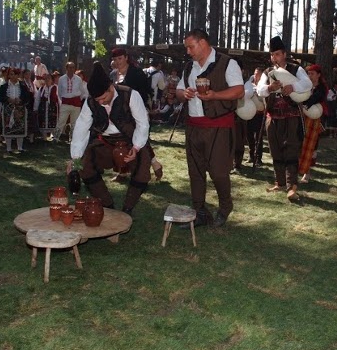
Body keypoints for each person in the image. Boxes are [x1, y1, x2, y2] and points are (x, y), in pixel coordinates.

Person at [176, 28, 244, 227]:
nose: (188, 51)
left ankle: (225, 207)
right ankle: (200, 212)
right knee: (195, 172)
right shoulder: (189, 67)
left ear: (203, 43)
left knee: (219, 172)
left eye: (191, 46)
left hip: (219, 126)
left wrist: (215, 95)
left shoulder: (227, 63)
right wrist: (184, 93)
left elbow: (239, 91)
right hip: (194, 126)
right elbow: (179, 90)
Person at [69, 61, 151, 215]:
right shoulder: (91, 102)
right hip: (104, 141)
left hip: (130, 141)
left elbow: (143, 123)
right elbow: (81, 129)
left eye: (103, 98)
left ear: (111, 87)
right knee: (85, 167)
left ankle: (127, 210)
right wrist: (75, 158)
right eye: (97, 99)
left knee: (142, 170)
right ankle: (108, 206)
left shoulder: (131, 95)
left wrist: (136, 147)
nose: (100, 102)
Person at [256, 36, 312, 201]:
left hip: (292, 117)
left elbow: (308, 84)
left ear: (284, 54)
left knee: (291, 151)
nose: (275, 58)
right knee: (275, 150)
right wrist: (269, 88)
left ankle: (291, 186)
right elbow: (259, 90)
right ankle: (279, 182)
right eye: (273, 55)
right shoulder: (267, 72)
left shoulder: (296, 69)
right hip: (272, 117)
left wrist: (292, 86)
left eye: (278, 54)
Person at [111, 48, 164, 180]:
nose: (117, 62)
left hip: (136, 111)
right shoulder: (112, 75)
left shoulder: (136, 73)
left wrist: (144, 110)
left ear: (126, 58)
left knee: (138, 139)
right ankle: (123, 170)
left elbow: (144, 92)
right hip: (120, 114)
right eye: (115, 59)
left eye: (120, 59)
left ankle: (151, 164)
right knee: (122, 141)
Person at [298, 64, 327, 183]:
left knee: (310, 145)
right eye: (308, 73)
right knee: (300, 143)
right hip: (302, 117)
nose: (309, 76)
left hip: (315, 120)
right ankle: (297, 169)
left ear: (318, 75)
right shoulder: (305, 86)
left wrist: (302, 101)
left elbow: (312, 100)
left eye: (312, 74)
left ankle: (306, 173)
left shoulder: (322, 88)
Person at [0, 67, 31, 153]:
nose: (12, 76)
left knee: (20, 127)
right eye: (11, 74)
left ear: (18, 75)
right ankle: (9, 148)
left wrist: (20, 100)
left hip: (20, 109)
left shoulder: (23, 86)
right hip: (8, 109)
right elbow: (0, 97)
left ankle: (20, 147)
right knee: (8, 128)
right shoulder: (4, 86)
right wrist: (8, 99)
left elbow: (27, 97)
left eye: (14, 74)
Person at [54, 62, 87, 141]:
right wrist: (65, 99)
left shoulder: (78, 79)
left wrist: (77, 99)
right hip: (65, 102)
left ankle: (72, 138)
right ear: (66, 68)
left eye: (73, 67)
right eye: (69, 67)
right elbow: (59, 92)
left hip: (76, 103)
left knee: (74, 122)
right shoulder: (61, 79)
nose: (71, 69)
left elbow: (82, 92)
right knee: (61, 120)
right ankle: (56, 137)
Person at [246, 67, 265, 165]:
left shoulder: (263, 86)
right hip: (249, 114)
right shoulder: (249, 84)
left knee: (258, 137)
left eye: (259, 74)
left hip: (259, 114)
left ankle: (258, 158)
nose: (256, 75)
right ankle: (251, 156)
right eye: (255, 73)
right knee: (249, 136)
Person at [34, 73, 60, 140]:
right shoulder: (42, 88)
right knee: (43, 122)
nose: (47, 80)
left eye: (49, 78)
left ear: (52, 80)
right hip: (43, 108)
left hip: (53, 107)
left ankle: (54, 137)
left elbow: (59, 98)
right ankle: (44, 137)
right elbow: (37, 99)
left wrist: (60, 108)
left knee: (53, 122)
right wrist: (36, 108)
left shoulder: (56, 87)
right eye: (46, 79)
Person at [22, 68, 39, 143]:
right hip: (25, 104)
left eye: (29, 74)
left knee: (31, 120)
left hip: (31, 103)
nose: (28, 75)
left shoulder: (32, 83)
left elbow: (36, 93)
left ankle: (31, 137)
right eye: (26, 74)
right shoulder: (22, 83)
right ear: (23, 75)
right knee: (24, 120)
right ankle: (24, 135)